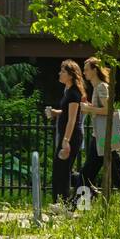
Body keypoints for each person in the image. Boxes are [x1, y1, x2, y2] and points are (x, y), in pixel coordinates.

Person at [80, 57, 120, 210]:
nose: (84, 72)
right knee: (88, 174)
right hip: (98, 137)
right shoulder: (97, 88)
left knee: (116, 175)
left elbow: (109, 110)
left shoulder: (101, 87)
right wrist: (91, 107)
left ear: (95, 70)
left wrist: (88, 109)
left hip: (104, 138)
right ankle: (79, 206)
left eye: (86, 69)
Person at [43, 59, 86, 210]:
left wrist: (66, 140)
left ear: (70, 75)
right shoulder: (67, 91)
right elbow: (67, 112)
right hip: (66, 135)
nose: (59, 73)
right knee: (60, 169)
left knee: (62, 170)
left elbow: (73, 119)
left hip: (71, 136)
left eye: (62, 71)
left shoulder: (74, 93)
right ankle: (60, 202)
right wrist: (56, 112)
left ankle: (63, 204)